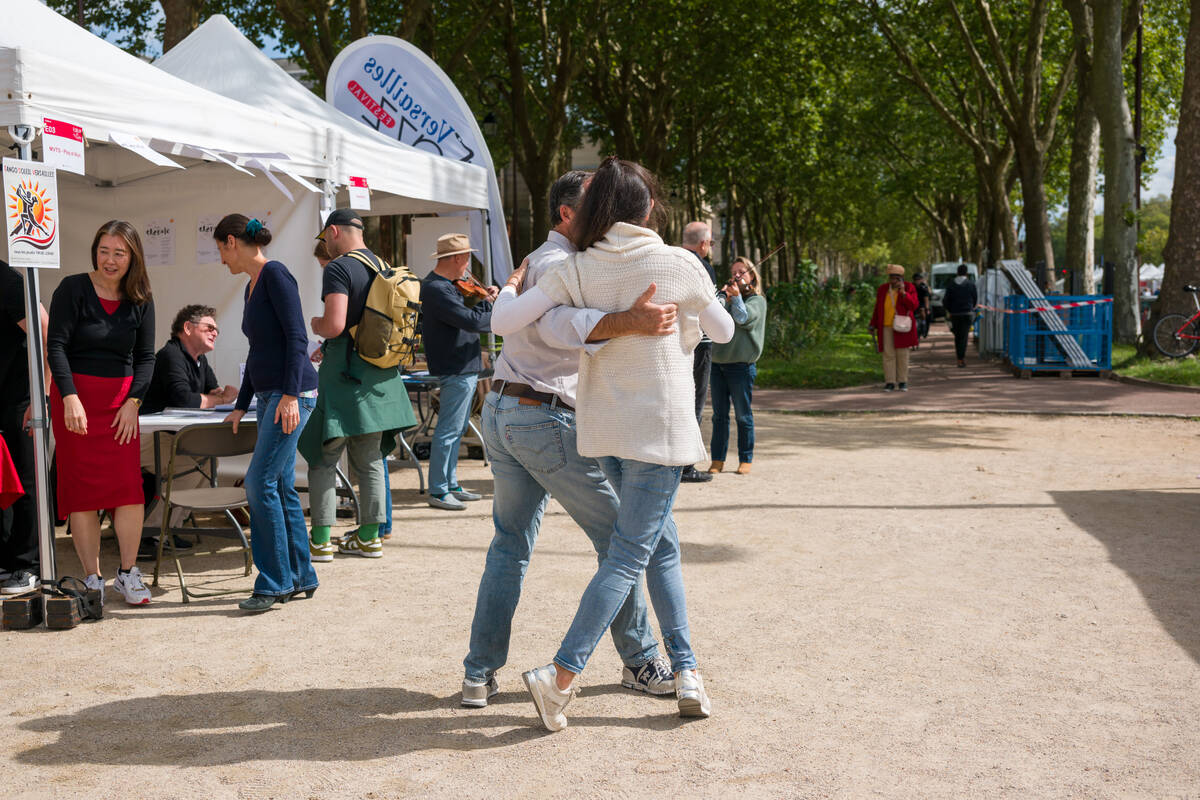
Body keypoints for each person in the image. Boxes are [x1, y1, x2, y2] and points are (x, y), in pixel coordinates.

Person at [490, 156, 734, 731]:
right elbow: (723, 332)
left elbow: (504, 322)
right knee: (630, 554)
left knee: (660, 545)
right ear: (648, 208)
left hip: (603, 428)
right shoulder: (678, 261)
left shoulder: (577, 268)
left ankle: (687, 670)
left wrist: (511, 284)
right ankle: (561, 674)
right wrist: (698, 302)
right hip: (660, 428)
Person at [462, 170, 682, 707]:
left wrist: (511, 285)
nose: (607, 214)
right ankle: (641, 661)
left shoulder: (542, 260)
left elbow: (513, 318)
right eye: (595, 205)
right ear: (567, 214)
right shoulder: (561, 264)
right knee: (621, 542)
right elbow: (559, 328)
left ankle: (478, 674)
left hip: (505, 410)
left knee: (509, 546)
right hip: (543, 415)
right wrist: (628, 321)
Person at [46, 220, 156, 605]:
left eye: (119, 253)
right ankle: (92, 579)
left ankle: (127, 574)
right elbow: (56, 346)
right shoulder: (72, 288)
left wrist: (134, 402)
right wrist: (69, 397)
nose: (110, 260)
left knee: (128, 489)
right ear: (95, 251)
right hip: (74, 402)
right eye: (104, 251)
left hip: (120, 406)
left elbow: (146, 358)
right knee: (83, 494)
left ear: (132, 257)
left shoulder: (141, 297)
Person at [216, 214, 319, 612]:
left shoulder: (276, 274)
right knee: (279, 485)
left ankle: (274, 583)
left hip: (290, 394)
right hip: (270, 395)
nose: (221, 259)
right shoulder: (251, 285)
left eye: (221, 250)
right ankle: (300, 575)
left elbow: (297, 337)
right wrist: (241, 404)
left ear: (232, 241)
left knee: (259, 483)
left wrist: (291, 395)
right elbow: (258, 350)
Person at [299, 209, 416, 560]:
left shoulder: (338, 268)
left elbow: (335, 324)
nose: (326, 245)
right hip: (380, 375)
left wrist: (316, 324)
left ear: (333, 231)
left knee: (322, 456)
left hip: (343, 375)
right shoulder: (384, 266)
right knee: (370, 461)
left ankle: (320, 541)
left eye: (326, 238)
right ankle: (369, 538)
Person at [136, 304, 239, 560]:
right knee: (192, 468)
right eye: (209, 327)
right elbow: (183, 399)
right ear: (188, 328)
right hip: (145, 437)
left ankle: (168, 528)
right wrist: (219, 399)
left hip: (169, 437)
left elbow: (212, 392)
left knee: (207, 463)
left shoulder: (199, 360)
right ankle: (148, 534)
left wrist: (219, 396)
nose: (215, 333)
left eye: (217, 329)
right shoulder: (170, 355)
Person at [419, 233, 497, 511]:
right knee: (449, 430)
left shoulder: (446, 287)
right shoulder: (436, 289)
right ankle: (439, 490)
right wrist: (494, 308)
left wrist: (486, 300)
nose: (467, 266)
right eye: (466, 259)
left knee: (457, 428)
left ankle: (450, 484)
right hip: (455, 366)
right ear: (457, 258)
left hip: (463, 365)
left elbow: (470, 315)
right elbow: (471, 321)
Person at [0, 261, 47, 595]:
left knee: (26, 480)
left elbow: (45, 330)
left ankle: (28, 564)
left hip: (20, 398)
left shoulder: (6, 280)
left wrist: (40, 394)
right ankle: (6, 560)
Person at [707, 257, 767, 476]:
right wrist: (722, 296)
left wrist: (737, 298)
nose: (737, 276)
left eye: (742, 272)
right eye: (734, 272)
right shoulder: (728, 298)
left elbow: (743, 319)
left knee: (743, 415)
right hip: (718, 365)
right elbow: (712, 316)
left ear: (752, 276)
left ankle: (745, 458)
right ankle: (717, 460)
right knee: (719, 416)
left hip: (741, 366)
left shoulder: (757, 301)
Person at [678, 220, 717, 484]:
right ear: (703, 244)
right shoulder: (703, 268)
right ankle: (686, 465)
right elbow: (711, 308)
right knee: (695, 403)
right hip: (700, 344)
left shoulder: (672, 260)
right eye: (710, 242)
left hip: (675, 342)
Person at [868, 264, 919, 392]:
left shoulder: (909, 287)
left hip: (902, 326)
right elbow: (877, 308)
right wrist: (873, 324)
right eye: (891, 277)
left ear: (901, 278)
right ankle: (890, 382)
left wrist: (904, 293)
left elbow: (914, 306)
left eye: (896, 278)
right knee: (888, 355)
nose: (893, 280)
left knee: (902, 354)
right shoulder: (883, 289)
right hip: (886, 326)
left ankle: (902, 381)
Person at [943, 263, 978, 367]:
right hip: (967, 313)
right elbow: (975, 298)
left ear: (957, 272)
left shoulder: (951, 284)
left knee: (958, 336)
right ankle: (961, 358)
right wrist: (971, 308)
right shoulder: (971, 284)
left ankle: (959, 357)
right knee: (964, 336)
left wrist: (950, 310)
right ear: (966, 273)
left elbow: (945, 300)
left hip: (955, 314)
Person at [913, 272, 932, 339]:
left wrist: (927, 308)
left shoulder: (924, 287)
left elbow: (926, 298)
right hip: (914, 302)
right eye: (915, 279)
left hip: (922, 302)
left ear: (921, 280)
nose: (917, 281)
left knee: (923, 312)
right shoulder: (912, 286)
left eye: (918, 279)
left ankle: (924, 325)